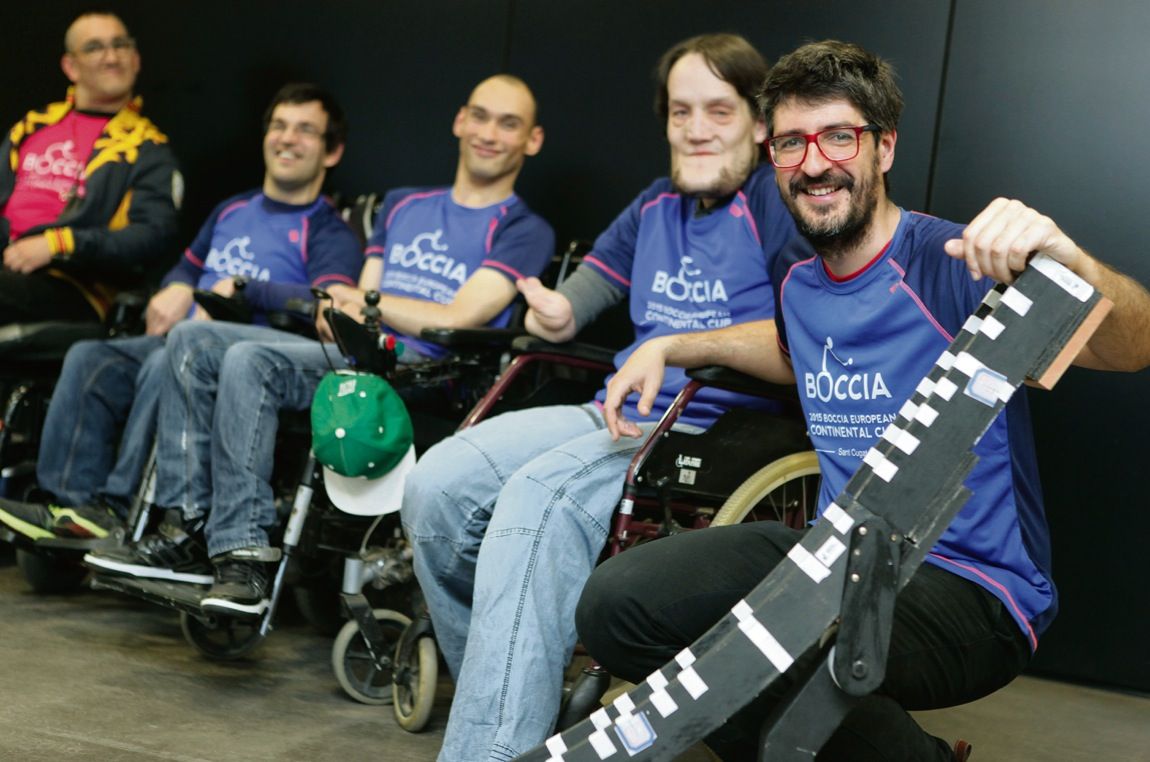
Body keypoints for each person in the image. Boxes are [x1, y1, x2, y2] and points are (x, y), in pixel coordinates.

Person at [575, 40, 1150, 762]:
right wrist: (676, 344)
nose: (814, 163)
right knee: (618, 606)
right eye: (791, 142)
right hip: (834, 557)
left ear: (884, 148)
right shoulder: (798, 288)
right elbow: (789, 349)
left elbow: (1136, 344)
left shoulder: (951, 269)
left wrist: (1072, 263)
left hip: (975, 588)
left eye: (839, 136)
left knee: (784, 646)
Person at [400, 34, 800, 762]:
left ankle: (496, 746)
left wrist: (679, 346)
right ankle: (517, 692)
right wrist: (555, 311)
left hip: (715, 428)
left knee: (536, 498)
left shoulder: (776, 201)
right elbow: (587, 290)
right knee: (436, 485)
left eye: (719, 109)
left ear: (761, 122)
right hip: (621, 415)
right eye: (681, 111)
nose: (697, 128)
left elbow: (804, 341)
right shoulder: (656, 203)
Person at [85, 74, 556, 617]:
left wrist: (368, 301)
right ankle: (188, 524)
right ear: (459, 121)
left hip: (428, 374)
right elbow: (345, 309)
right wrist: (358, 305)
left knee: (250, 359)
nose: (489, 133)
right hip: (356, 354)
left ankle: (243, 552)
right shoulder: (402, 206)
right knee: (192, 339)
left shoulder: (524, 227)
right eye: (480, 116)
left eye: (508, 123)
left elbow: (455, 317)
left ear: (532, 139)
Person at [0, 83, 362, 547]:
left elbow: (328, 301)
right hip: (182, 336)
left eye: (305, 130)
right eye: (279, 126)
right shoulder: (232, 209)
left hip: (237, 356)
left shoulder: (330, 230)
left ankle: (114, 510)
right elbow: (186, 268)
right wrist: (175, 287)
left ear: (331, 152)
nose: (287, 138)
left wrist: (248, 291)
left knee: (167, 357)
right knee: (91, 358)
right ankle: (66, 505)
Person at [0, 11, 180, 325]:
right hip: (8, 268)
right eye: (95, 47)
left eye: (120, 45)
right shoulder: (34, 125)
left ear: (135, 59)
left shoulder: (148, 148)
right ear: (71, 66)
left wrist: (61, 243)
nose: (111, 57)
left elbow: (150, 239)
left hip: (77, 289)